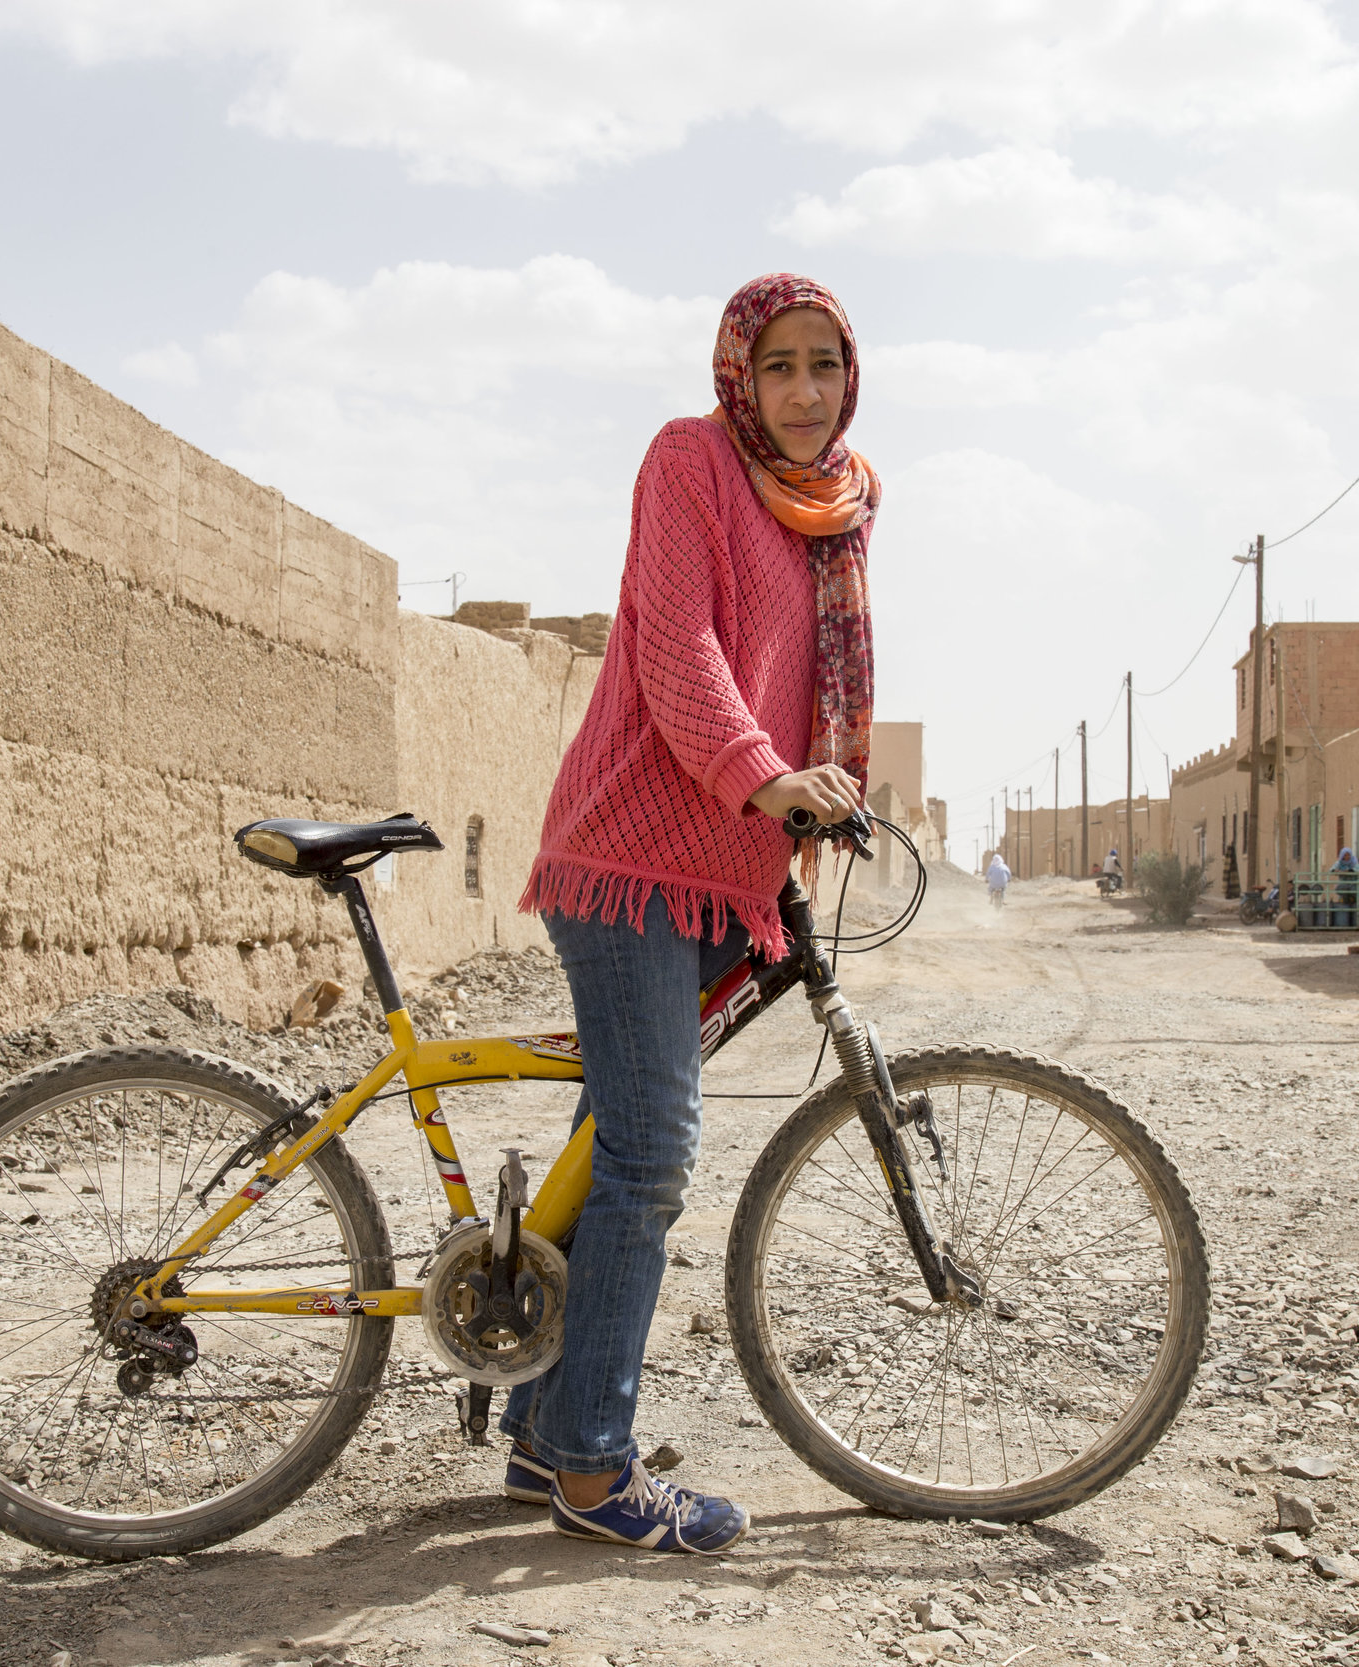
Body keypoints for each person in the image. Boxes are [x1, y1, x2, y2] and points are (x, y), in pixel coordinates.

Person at [505, 273, 878, 1555]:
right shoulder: (689, 461)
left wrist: (807, 807)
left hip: (730, 865)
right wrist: (762, 775)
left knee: (610, 1138)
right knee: (651, 1149)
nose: (803, 390)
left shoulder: (842, 501)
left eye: (823, 364)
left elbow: (815, 677)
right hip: (630, 854)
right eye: (777, 365)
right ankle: (594, 1471)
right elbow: (677, 648)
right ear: (737, 374)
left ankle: (541, 1428)